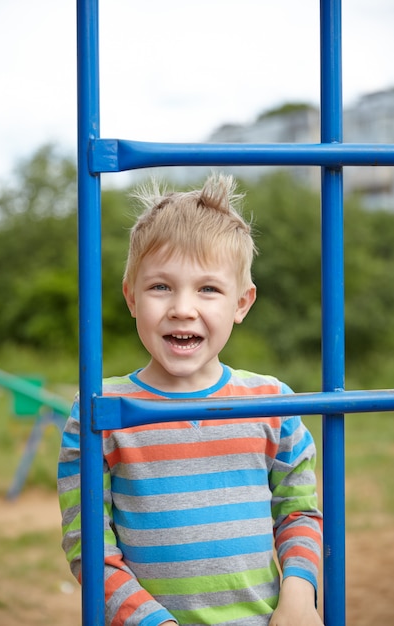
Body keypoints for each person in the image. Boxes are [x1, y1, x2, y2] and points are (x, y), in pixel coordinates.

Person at [58, 173, 324, 626]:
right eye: (161, 286)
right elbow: (90, 547)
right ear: (131, 297)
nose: (182, 307)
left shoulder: (271, 403)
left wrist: (299, 597)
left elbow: (299, 510)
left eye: (208, 288)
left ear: (241, 302)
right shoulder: (101, 411)